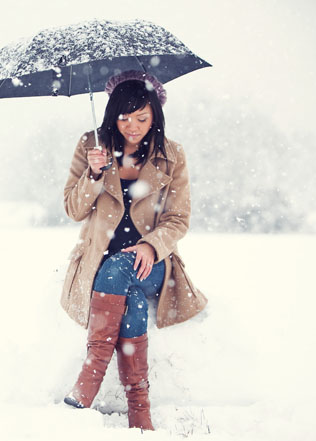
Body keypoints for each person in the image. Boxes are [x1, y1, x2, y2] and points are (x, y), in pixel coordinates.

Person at [59, 70, 208, 431]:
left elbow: (178, 218)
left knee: (122, 269)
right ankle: (139, 409)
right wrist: (93, 176)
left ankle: (91, 376)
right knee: (133, 301)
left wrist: (150, 244)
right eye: (124, 117)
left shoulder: (172, 156)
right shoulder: (91, 146)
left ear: (155, 114)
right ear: (112, 115)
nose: (132, 126)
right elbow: (73, 209)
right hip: (99, 261)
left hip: (153, 264)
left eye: (142, 117)